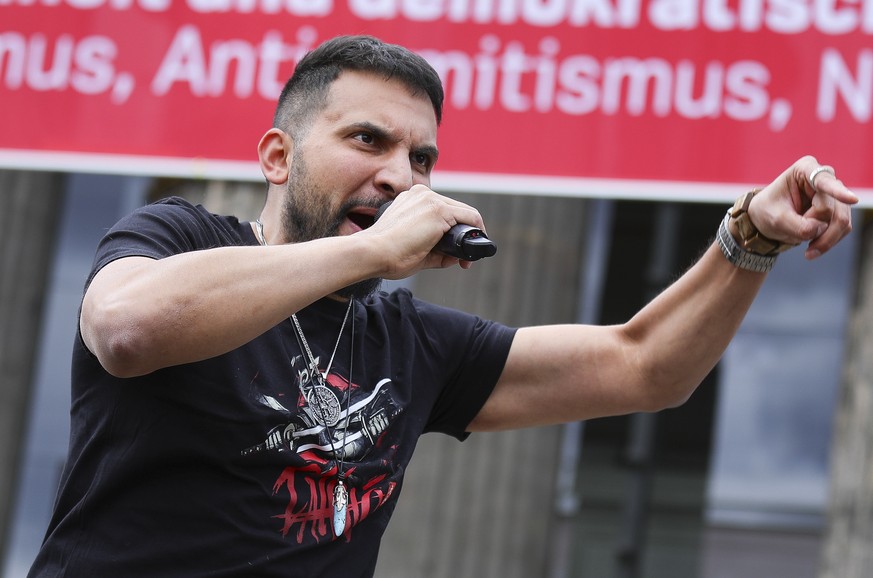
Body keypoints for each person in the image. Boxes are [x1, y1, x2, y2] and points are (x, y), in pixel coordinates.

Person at [28, 35, 856, 577]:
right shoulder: (178, 234)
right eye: (367, 141)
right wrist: (370, 252)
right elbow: (126, 329)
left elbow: (643, 367)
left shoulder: (410, 341)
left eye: (420, 157)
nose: (400, 174)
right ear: (278, 157)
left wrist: (748, 238)